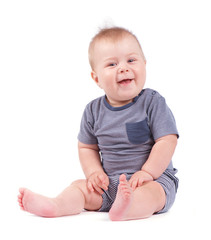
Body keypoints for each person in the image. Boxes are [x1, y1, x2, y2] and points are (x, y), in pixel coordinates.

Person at [18, 27, 179, 221]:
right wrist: (94, 173)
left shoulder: (152, 102)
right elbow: (87, 147)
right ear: (97, 78)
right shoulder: (93, 111)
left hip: (153, 179)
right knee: (79, 186)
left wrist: (147, 172)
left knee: (152, 195)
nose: (123, 68)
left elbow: (167, 140)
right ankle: (56, 205)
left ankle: (129, 207)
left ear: (144, 64)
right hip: (109, 183)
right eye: (112, 64)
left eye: (131, 60)